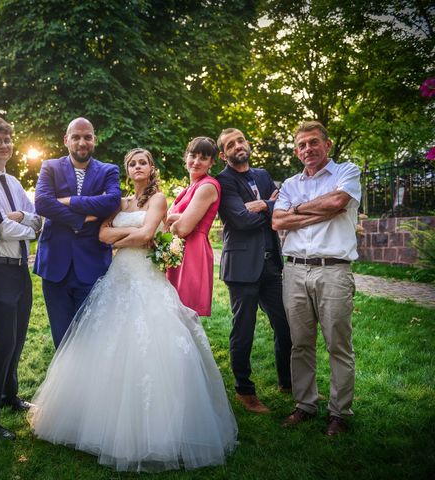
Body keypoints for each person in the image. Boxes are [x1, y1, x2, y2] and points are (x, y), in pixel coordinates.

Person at [28, 148, 237, 472]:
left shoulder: (159, 199)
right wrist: (128, 238)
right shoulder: (121, 202)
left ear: (151, 168)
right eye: (132, 163)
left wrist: (119, 239)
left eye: (143, 162)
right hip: (117, 278)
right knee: (101, 345)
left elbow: (147, 233)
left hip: (145, 279)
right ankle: (95, 420)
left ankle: (156, 429)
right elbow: (103, 233)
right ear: (128, 171)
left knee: (151, 347)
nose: (138, 166)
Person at [272, 120, 361, 436]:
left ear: (327, 144)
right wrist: (313, 211)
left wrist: (296, 212)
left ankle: (339, 413)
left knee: (338, 344)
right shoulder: (290, 183)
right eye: (301, 145)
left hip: (333, 270)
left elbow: (338, 203)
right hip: (294, 270)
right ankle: (305, 405)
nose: (307, 149)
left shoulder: (346, 172)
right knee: (300, 343)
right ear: (297, 151)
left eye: (313, 142)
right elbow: (277, 220)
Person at [216, 128, 292, 414]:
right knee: (243, 331)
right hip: (242, 268)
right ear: (223, 154)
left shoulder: (262, 174)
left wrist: (265, 204)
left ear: (247, 144)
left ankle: (287, 383)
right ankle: (245, 392)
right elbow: (241, 221)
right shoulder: (222, 181)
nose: (238, 146)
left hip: (271, 265)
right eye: (231, 145)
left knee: (285, 326)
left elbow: (284, 208)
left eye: (240, 141)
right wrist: (271, 211)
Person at [0, 117, 42, 440]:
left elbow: (39, 218)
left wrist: (23, 220)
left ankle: (8, 395)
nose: (3, 145)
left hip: (19, 270)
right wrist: (25, 225)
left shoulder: (14, 183)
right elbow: (2, 228)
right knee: (1, 344)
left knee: (17, 338)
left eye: (7, 139)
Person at [33, 117, 121, 348]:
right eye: (76, 137)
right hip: (55, 266)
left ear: (94, 139)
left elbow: (111, 202)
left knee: (89, 340)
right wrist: (80, 219)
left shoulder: (108, 170)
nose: (82, 142)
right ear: (66, 140)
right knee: (62, 340)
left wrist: (68, 200)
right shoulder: (50, 167)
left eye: (87, 137)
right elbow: (42, 203)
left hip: (92, 264)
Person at [165, 137, 221, 316]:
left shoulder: (208, 186)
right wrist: (178, 219)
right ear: (185, 157)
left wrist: (172, 219)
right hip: (176, 251)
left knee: (184, 314)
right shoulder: (186, 190)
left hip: (193, 252)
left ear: (211, 162)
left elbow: (182, 229)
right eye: (193, 156)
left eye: (203, 158)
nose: (196, 162)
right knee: (171, 314)